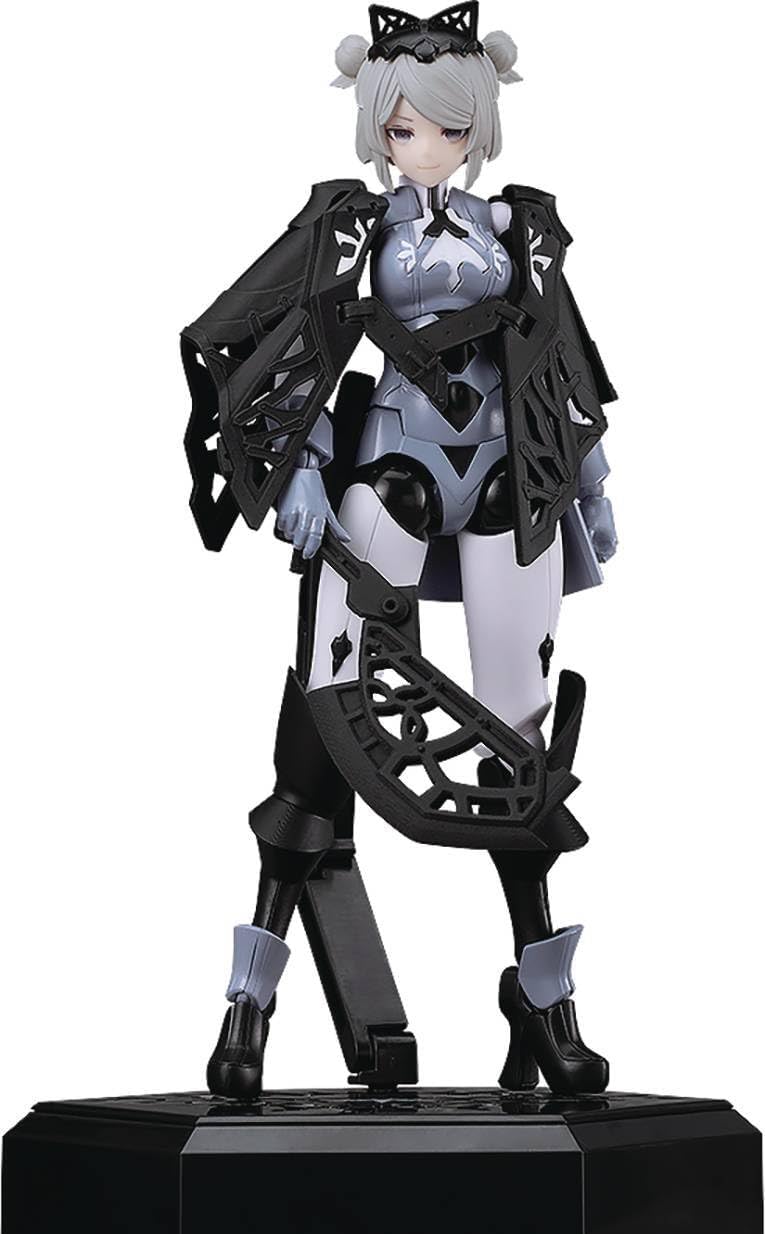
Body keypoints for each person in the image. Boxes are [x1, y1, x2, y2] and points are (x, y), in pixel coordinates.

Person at [181, 4, 618, 1101]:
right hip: (392, 463)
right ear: (378, 126)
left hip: (507, 472)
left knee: (516, 728)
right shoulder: (350, 228)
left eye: (450, 127)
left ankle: (544, 1001)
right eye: (407, 127)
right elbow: (291, 341)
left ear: (480, 127)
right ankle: (249, 997)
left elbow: (563, 359)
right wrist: (302, 468)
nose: (428, 145)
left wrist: (592, 481)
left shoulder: (517, 228)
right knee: (333, 689)